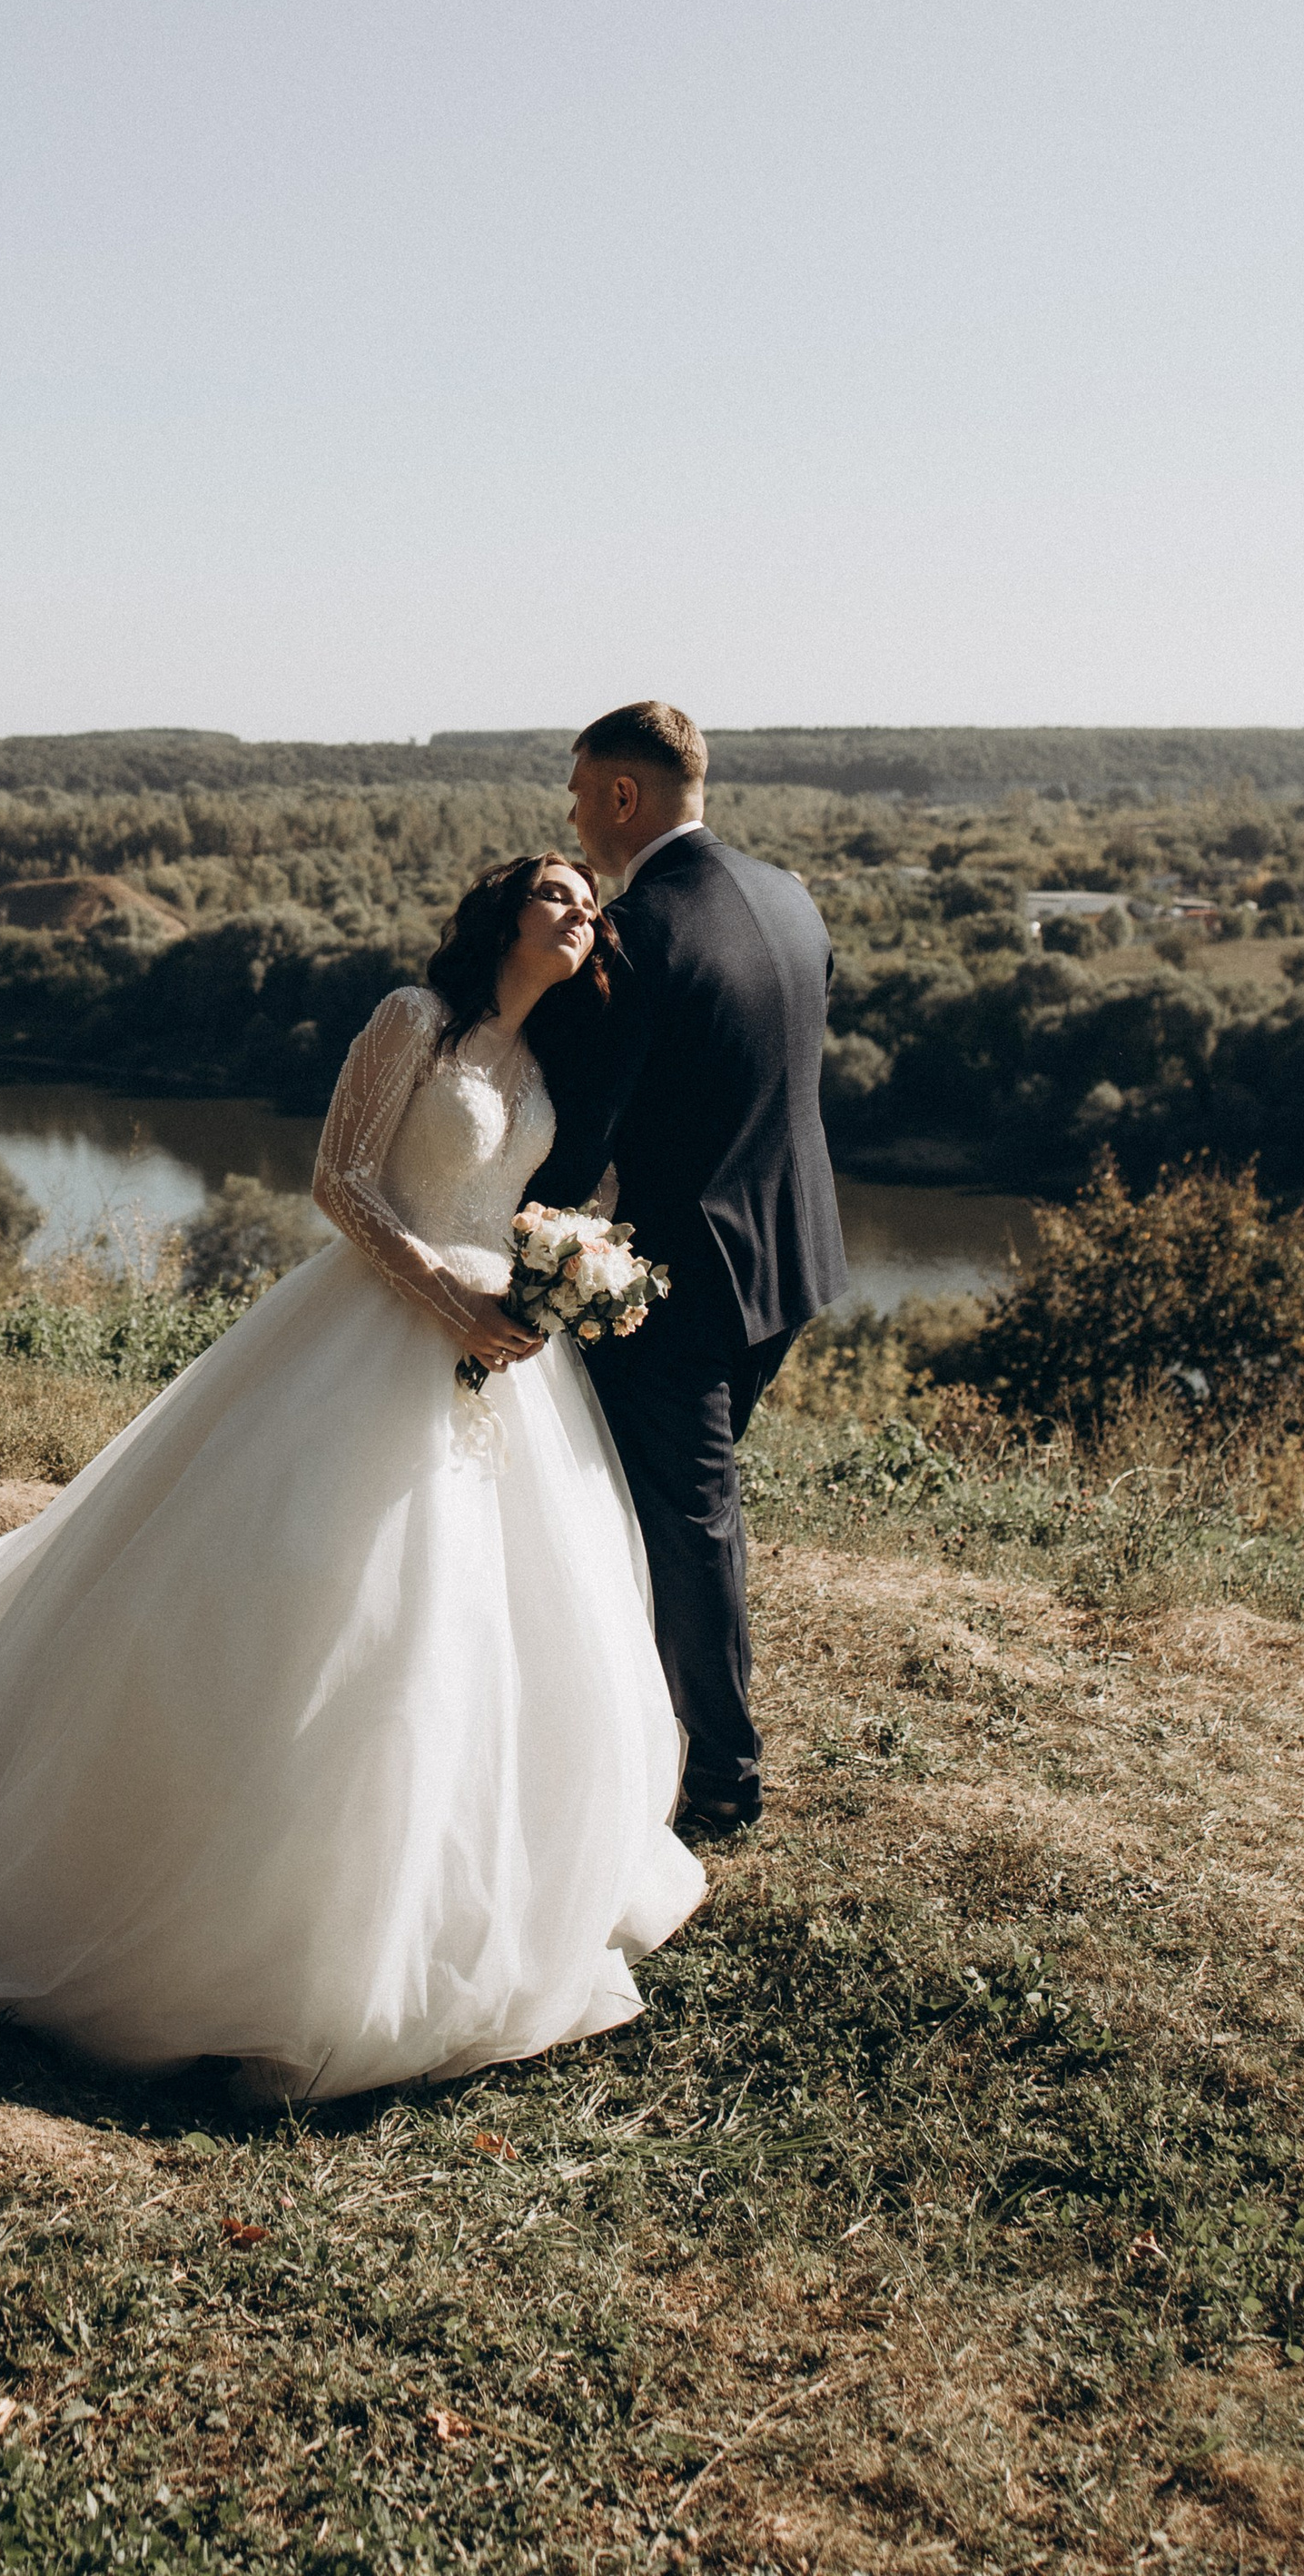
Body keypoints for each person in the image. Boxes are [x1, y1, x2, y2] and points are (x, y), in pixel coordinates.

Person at [0, 854, 702, 2105]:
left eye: (592, 909)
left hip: (496, 1366)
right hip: (372, 1333)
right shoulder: (413, 1022)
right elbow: (339, 1181)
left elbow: (544, 1196)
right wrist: (441, 1293)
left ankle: (444, 1893)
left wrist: (568, 1266)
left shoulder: (551, 1069)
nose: (581, 917)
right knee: (302, 1587)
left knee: (476, 1619)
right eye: (558, 895)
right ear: (503, 913)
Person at [528, 701, 848, 1841]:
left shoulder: (639, 932)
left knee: (686, 1517)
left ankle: (721, 1774)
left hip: (680, 1282)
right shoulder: (787, 895)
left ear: (623, 795)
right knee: (678, 1504)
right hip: (790, 1258)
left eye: (578, 791)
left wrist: (514, 1226)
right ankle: (634, 1718)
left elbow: (583, 1131)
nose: (570, 812)